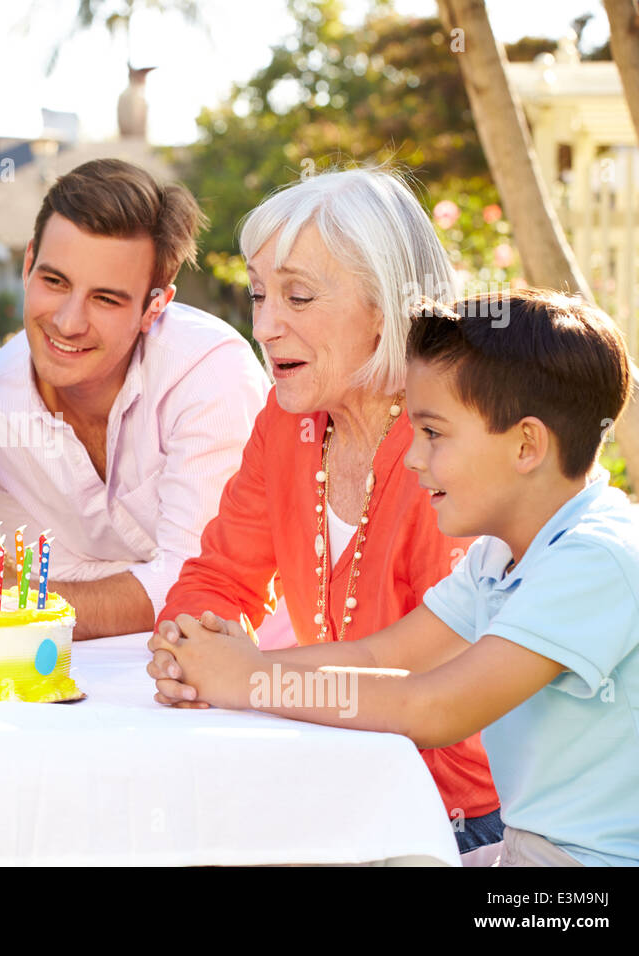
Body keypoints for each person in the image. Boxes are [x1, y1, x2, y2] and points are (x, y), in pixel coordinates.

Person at [149, 290, 639, 867]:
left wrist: (251, 682)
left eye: (434, 433)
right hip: (521, 856)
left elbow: (432, 708)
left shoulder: (597, 559)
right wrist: (222, 663)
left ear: (526, 445)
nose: (413, 457)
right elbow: (376, 657)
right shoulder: (502, 557)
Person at [148, 167, 502, 863]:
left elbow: (426, 682)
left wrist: (249, 676)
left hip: (451, 820)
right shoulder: (288, 425)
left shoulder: (453, 447)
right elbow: (218, 576)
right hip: (329, 778)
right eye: (257, 296)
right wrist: (190, 646)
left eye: (298, 297)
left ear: (389, 306)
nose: (264, 325)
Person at [0, 158, 270, 640]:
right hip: (84, 672)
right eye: (54, 281)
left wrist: (22, 600)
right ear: (28, 264)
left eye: (105, 299)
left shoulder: (210, 374)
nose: (67, 322)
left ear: (155, 306)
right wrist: (42, 598)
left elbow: (201, 587)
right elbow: (61, 578)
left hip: (241, 663)